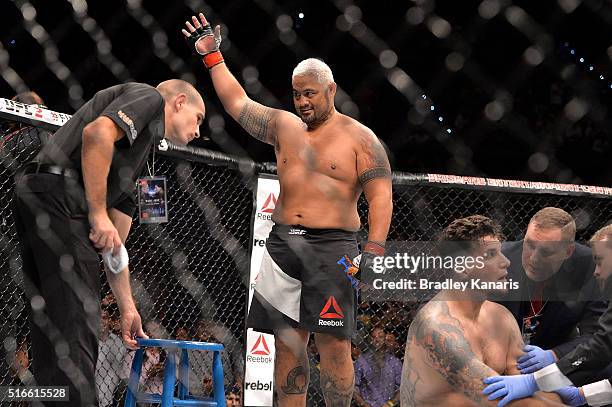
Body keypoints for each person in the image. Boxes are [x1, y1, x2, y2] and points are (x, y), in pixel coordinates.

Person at [182, 12, 393, 407]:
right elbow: (237, 104)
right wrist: (213, 57)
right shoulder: (283, 126)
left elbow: (381, 195)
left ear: (331, 90)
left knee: (334, 346)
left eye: (310, 93)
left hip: (334, 246)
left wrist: (375, 249)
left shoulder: (361, 139)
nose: (302, 102)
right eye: (297, 94)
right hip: (282, 244)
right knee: (287, 343)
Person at [12, 79, 205, 406]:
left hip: (40, 194)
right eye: (198, 118)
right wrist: (97, 213)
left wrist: (128, 305)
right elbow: (97, 133)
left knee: (52, 331)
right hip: (60, 196)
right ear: (179, 102)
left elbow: (116, 242)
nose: (199, 131)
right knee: (78, 329)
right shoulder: (150, 98)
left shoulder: (143, 156)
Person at [400, 215, 561, 406]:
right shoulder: (436, 327)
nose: (506, 262)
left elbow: (535, 385)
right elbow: (500, 398)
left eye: (500, 252)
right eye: (490, 254)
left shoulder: (501, 317)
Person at [484, 224, 612, 406]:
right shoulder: (503, 260)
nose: (596, 271)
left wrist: (539, 377)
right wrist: (583, 395)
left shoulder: (584, 272)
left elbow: (602, 346)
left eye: (600, 261)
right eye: (529, 245)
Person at [354, 326, 402, 407]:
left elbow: (402, 388)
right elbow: (354, 388)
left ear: (385, 339)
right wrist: (364, 404)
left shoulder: (395, 362)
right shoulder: (361, 361)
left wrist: (390, 404)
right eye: (373, 337)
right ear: (369, 339)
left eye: (380, 337)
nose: (377, 340)